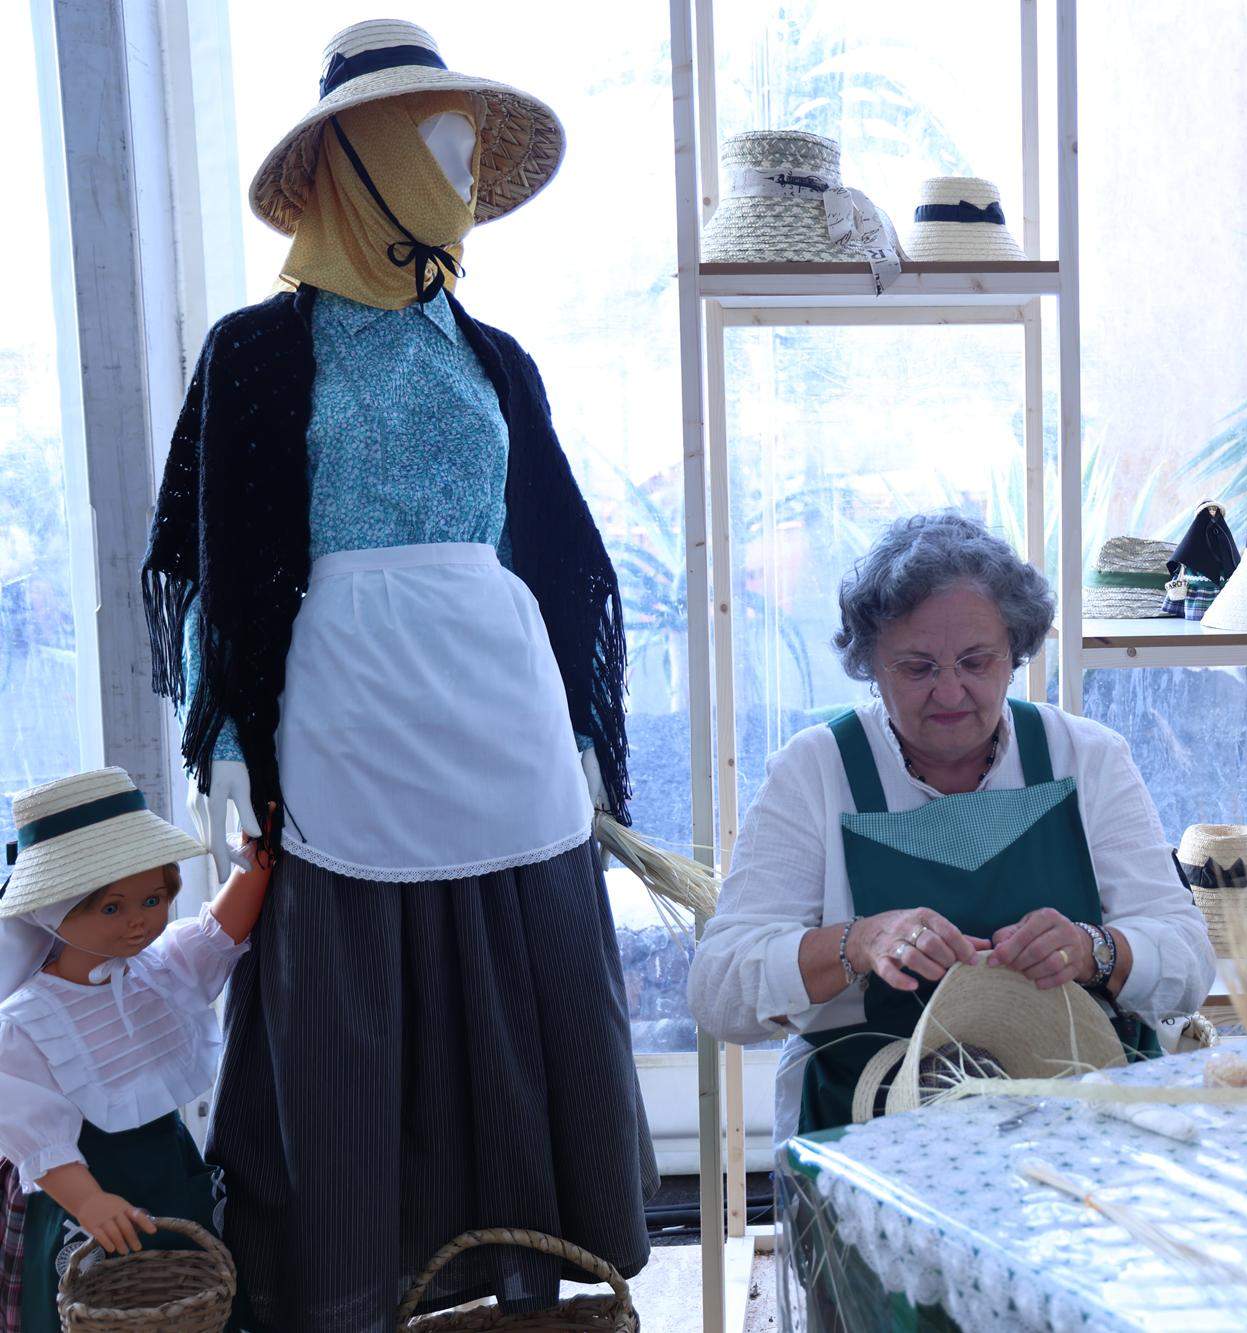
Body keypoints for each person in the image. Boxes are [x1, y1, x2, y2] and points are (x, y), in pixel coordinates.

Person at [139, 21, 654, 1327]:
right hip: (348, 704)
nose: (461, 162)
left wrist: (592, 742)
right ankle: (361, 1283)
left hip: (501, 703)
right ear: (356, 159)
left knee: (526, 980)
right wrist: (237, 748)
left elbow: (553, 551)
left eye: (466, 139)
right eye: (432, 135)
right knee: (349, 1000)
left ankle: (536, 1270)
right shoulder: (256, 354)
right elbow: (225, 559)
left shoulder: (494, 356)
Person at [690, 511, 1215, 1138]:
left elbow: (1188, 962)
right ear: (870, 665)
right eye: (917, 667)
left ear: (1015, 653)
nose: (949, 692)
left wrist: (1093, 951)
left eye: (975, 661)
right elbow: (718, 989)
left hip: (1080, 1109)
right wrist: (857, 943)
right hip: (869, 1123)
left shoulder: (1086, 758)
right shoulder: (817, 771)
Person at [0, 768, 271, 1332]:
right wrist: (90, 1202)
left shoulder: (159, 971)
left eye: (152, 898)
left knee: (188, 1299)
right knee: (102, 1307)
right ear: (52, 910)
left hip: (169, 1173)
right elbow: (37, 1136)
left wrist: (258, 860)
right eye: (110, 908)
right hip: (85, 1191)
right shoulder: (27, 1023)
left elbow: (220, 932)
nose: (138, 923)